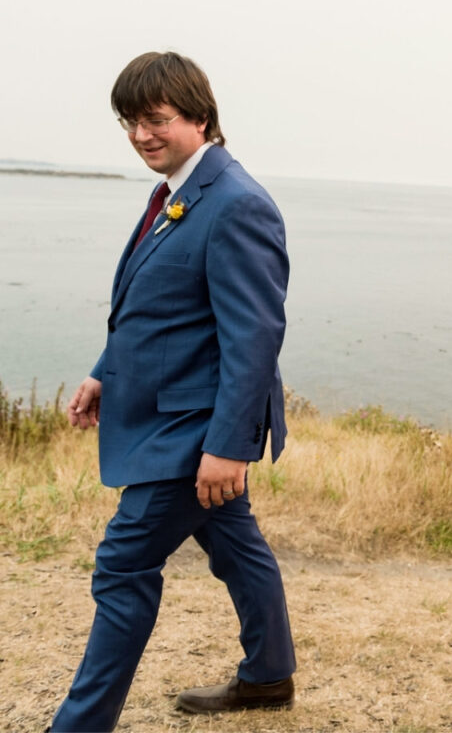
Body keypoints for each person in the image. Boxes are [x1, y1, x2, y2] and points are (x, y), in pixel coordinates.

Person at [51, 52, 295, 731]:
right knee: (235, 544)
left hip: (191, 433)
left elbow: (254, 340)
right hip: (173, 418)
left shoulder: (239, 204)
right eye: (130, 121)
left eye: (156, 119)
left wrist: (228, 447)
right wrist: (105, 370)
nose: (140, 135)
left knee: (122, 566)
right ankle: (269, 675)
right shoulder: (176, 192)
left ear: (200, 117)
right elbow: (153, 308)